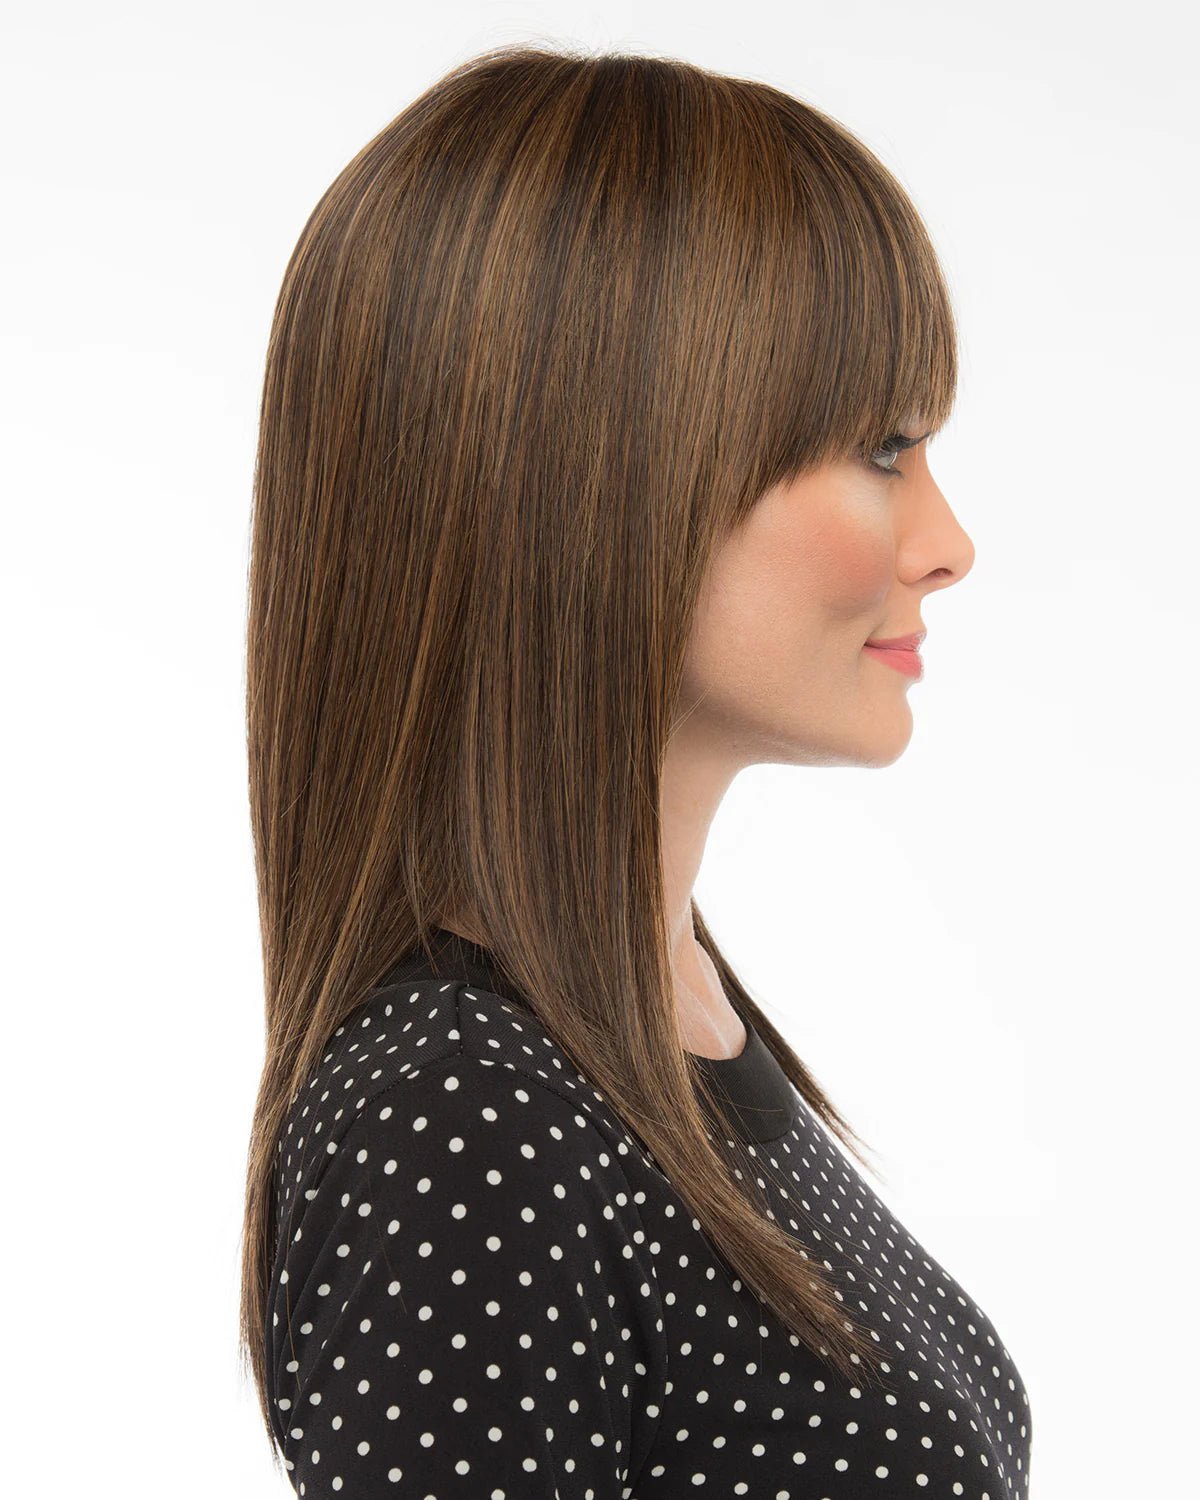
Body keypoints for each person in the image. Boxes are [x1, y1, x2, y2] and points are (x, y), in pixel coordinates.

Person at [240, 42, 1029, 1498]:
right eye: (883, 445)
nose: (948, 544)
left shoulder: (671, 1025)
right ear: (598, 476)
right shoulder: (462, 1121)